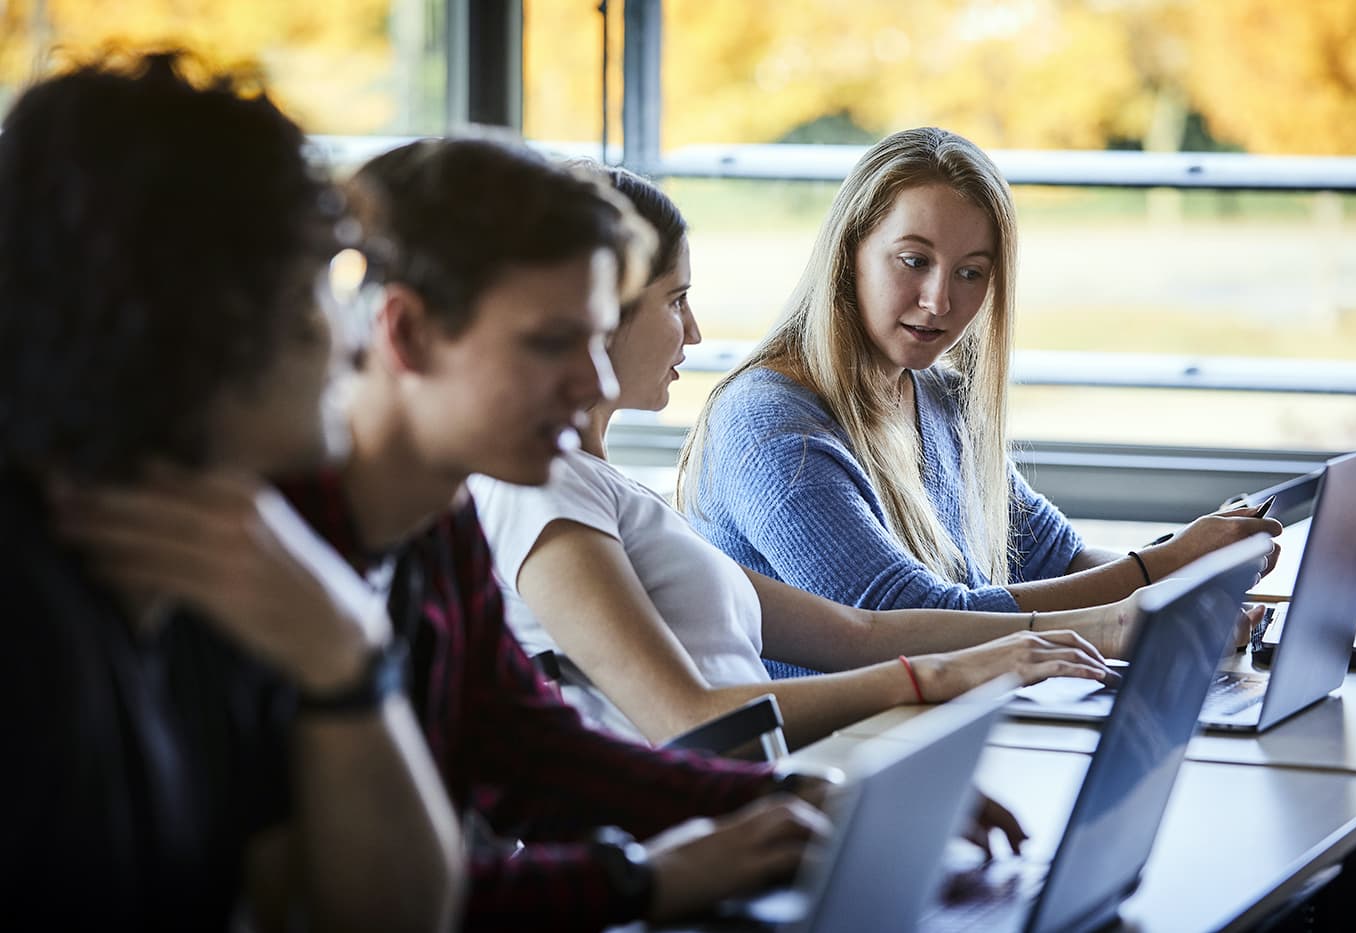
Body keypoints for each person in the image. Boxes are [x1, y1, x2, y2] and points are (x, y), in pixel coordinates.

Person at [280, 135, 846, 933]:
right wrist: (645, 879)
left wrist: (796, 797)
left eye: (597, 336)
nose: (600, 384)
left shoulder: (440, 525)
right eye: (552, 343)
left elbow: (531, 752)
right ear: (405, 335)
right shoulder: (275, 552)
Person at [0, 53, 460, 931]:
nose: (353, 333)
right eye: (321, 280)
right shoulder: (23, 616)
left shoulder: (235, 560)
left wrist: (347, 656)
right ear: (204, 311)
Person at [471, 164, 1130, 750]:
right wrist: (934, 676)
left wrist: (1095, 630)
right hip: (701, 840)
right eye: (676, 301)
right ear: (597, 314)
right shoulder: (543, 490)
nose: (695, 330)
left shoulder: (609, 493)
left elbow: (858, 631)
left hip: (760, 808)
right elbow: (686, 719)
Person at [677, 127, 1281, 644]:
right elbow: (912, 623)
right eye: (914, 260)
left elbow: (1061, 560)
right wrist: (1164, 566)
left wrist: (1187, 589)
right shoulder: (767, 423)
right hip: (826, 754)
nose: (940, 300)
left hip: (934, 728)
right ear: (849, 252)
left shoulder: (936, 397)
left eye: (971, 273)